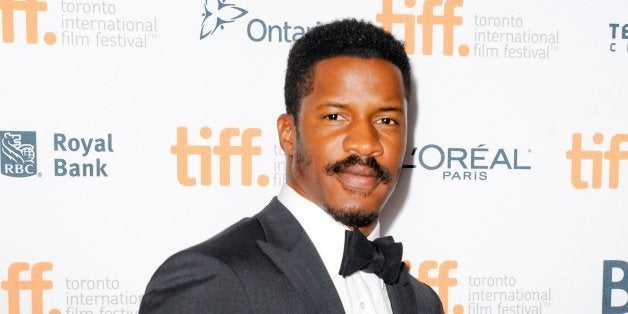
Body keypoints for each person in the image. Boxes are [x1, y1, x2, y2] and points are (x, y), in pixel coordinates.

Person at [140, 19, 443, 313]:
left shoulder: (422, 302)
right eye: (336, 117)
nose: (365, 143)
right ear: (288, 134)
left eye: (386, 120)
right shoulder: (215, 278)